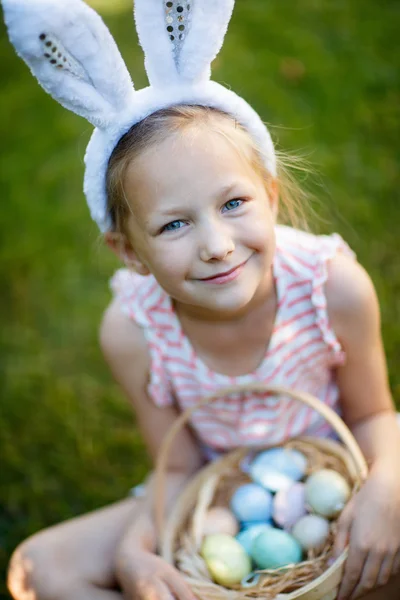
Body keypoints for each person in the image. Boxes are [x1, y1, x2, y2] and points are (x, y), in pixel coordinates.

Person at [3, 1, 400, 600]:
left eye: (233, 204)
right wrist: (137, 554)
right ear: (129, 253)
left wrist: (386, 488)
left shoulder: (331, 286)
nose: (216, 246)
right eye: (173, 226)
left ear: (269, 193)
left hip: (339, 471)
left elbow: (374, 415)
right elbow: (178, 465)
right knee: (38, 570)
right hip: (211, 493)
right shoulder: (132, 331)